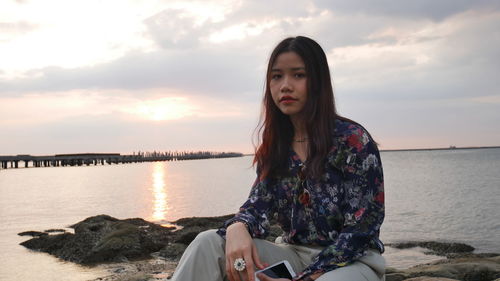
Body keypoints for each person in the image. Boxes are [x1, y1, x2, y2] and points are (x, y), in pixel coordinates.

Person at [170, 36, 385, 281]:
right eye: (277, 76)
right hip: (293, 253)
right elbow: (257, 207)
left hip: (351, 262)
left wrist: (304, 278)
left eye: (298, 75)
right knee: (208, 242)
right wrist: (237, 227)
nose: (285, 86)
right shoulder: (276, 147)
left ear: (318, 81)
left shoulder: (353, 140)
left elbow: (361, 230)